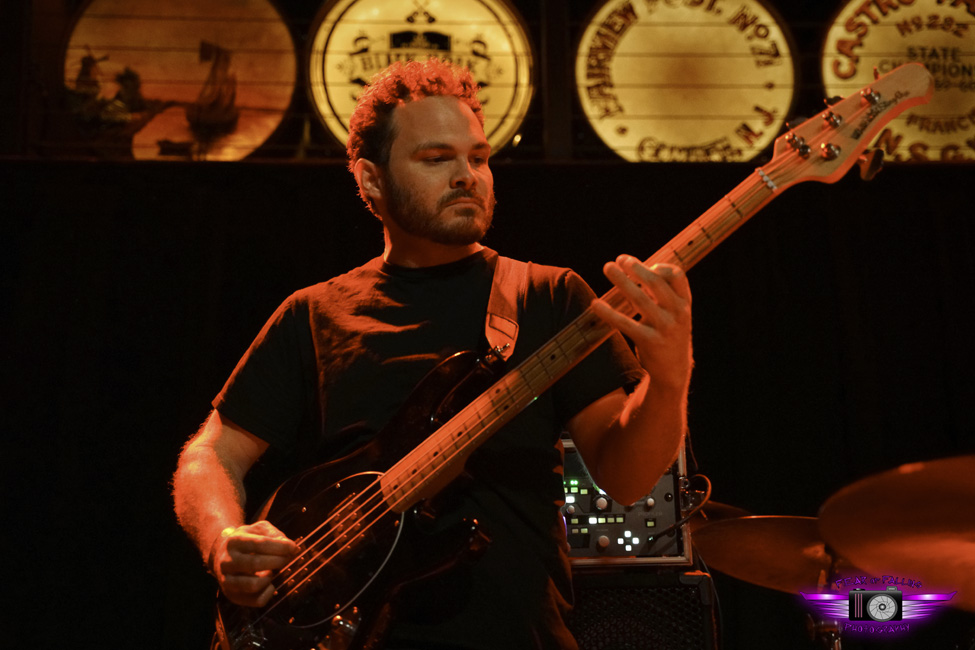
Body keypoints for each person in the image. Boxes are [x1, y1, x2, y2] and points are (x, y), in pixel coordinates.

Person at [172, 59, 693, 650]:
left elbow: (625, 480)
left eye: (478, 157)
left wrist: (669, 375)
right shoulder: (313, 314)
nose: (468, 176)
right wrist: (223, 542)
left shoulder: (547, 296)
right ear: (371, 181)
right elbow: (208, 455)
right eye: (436, 158)